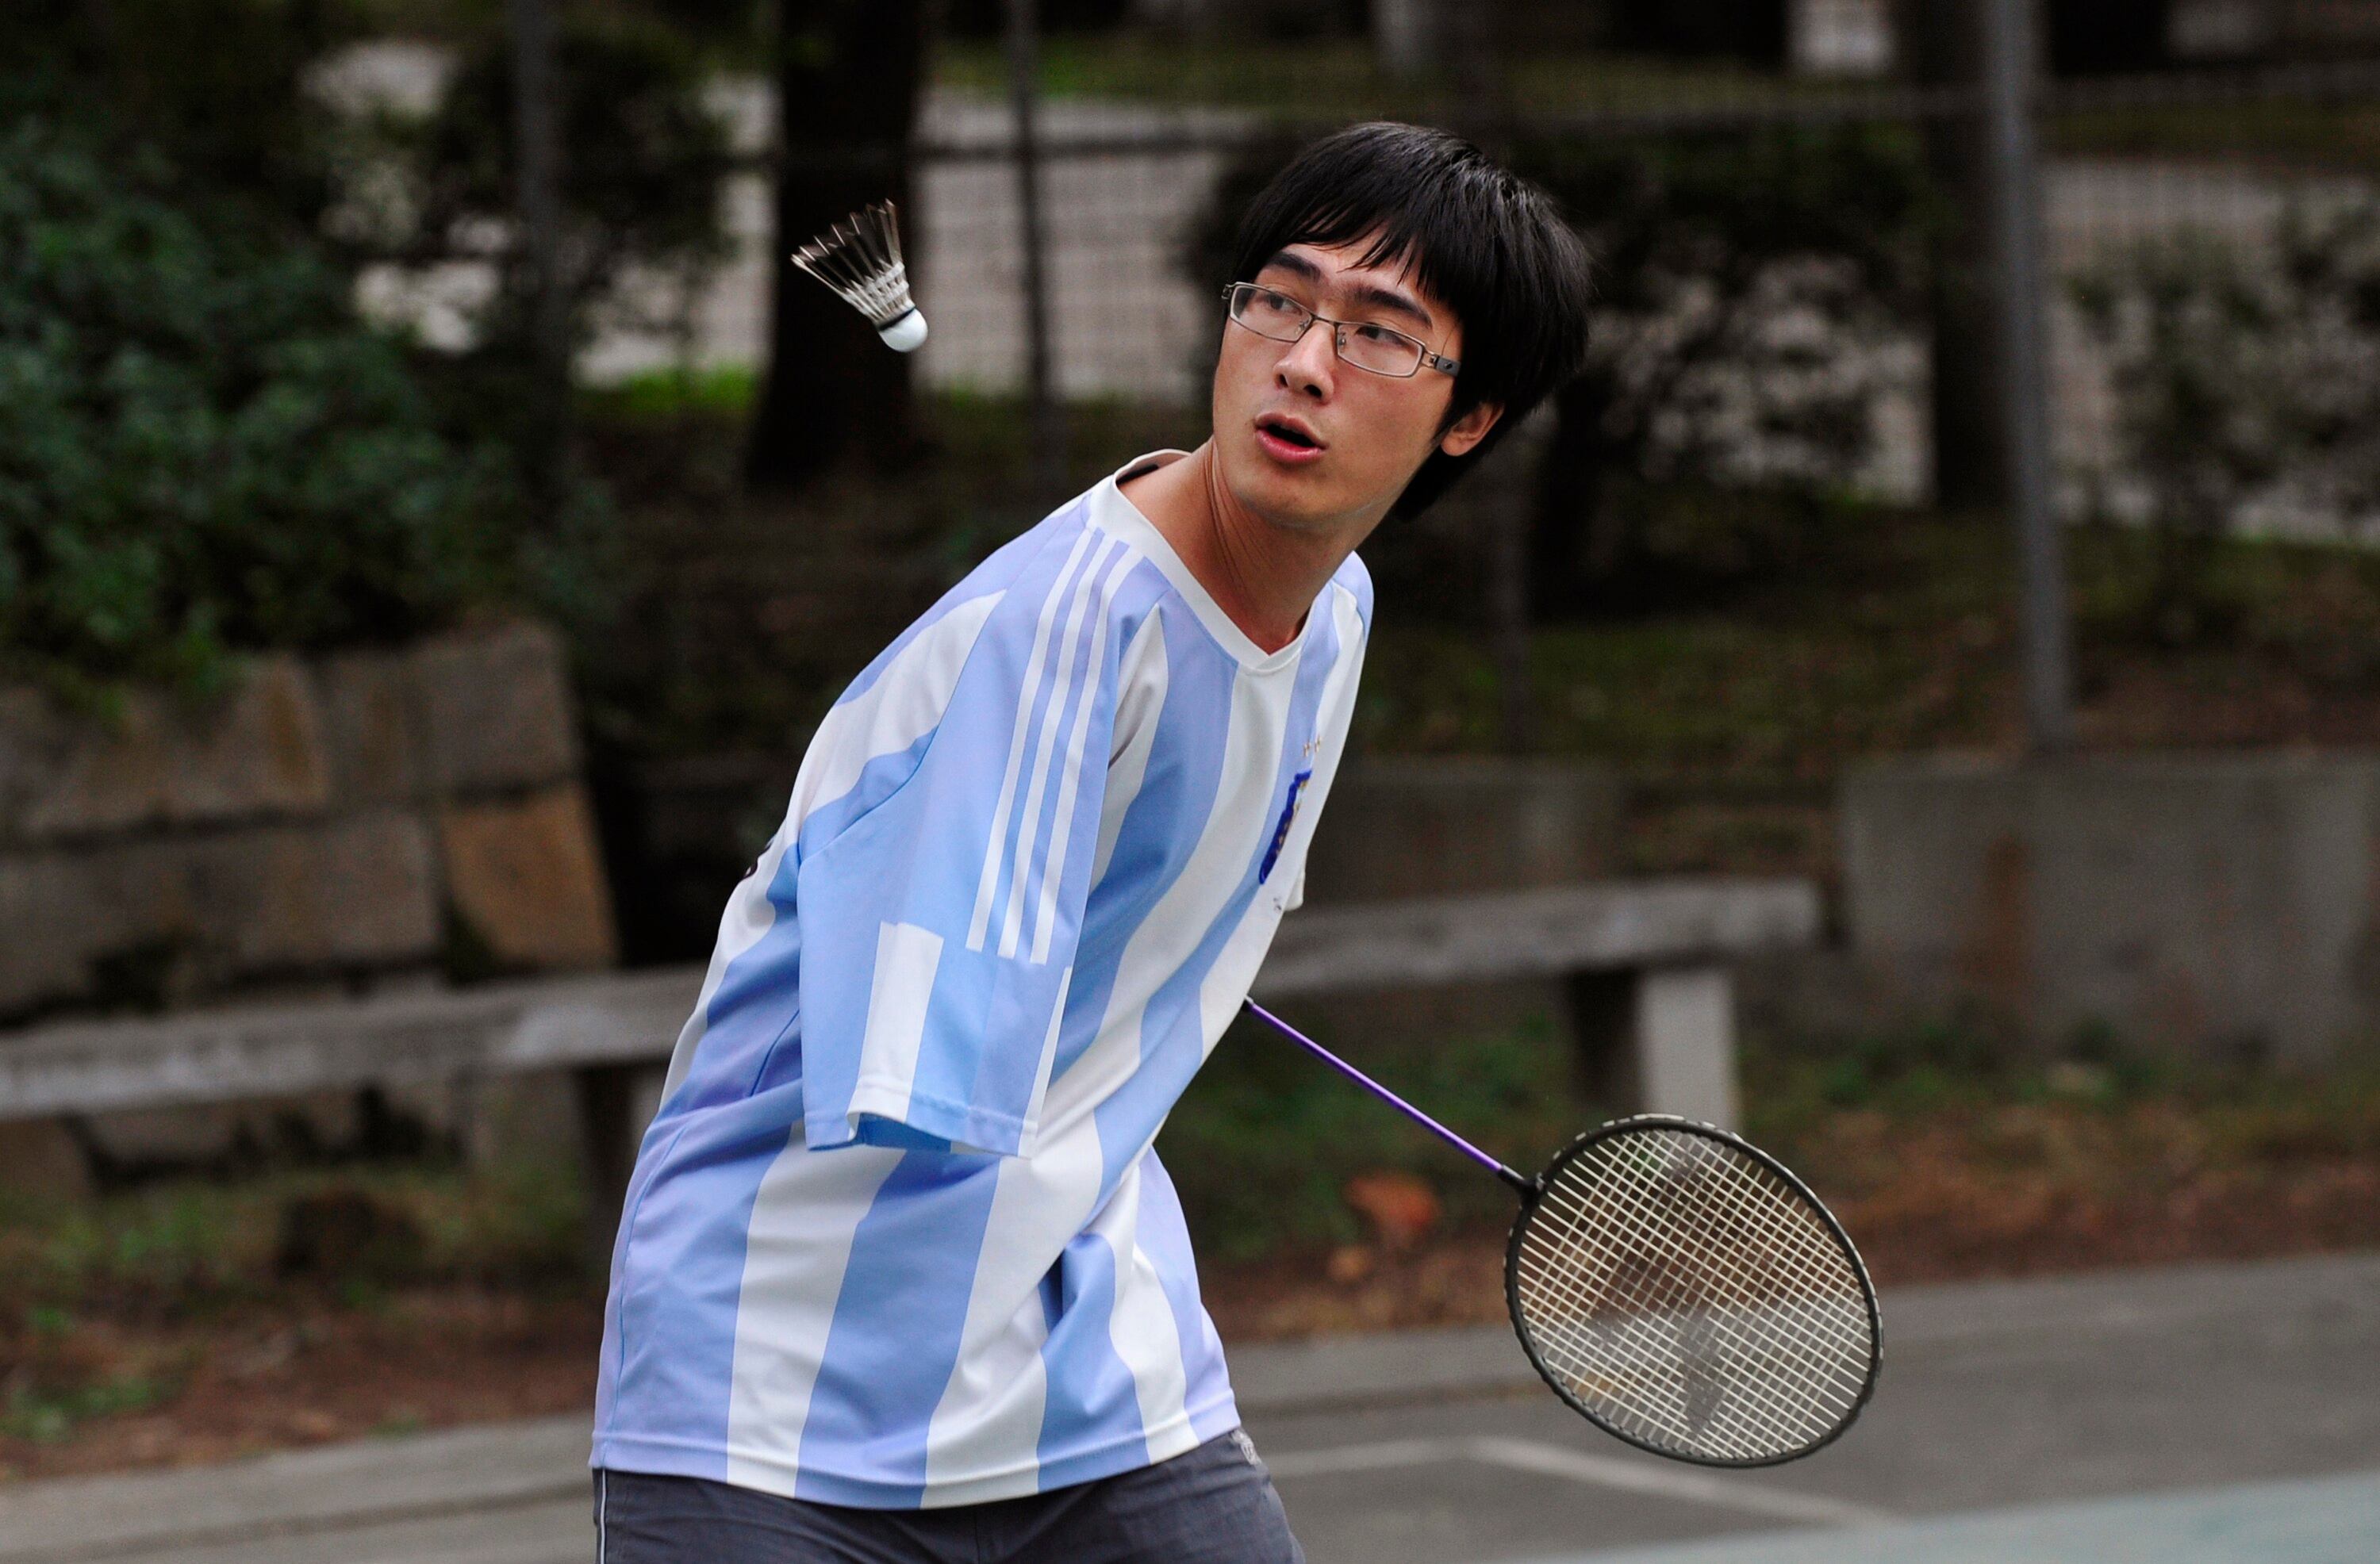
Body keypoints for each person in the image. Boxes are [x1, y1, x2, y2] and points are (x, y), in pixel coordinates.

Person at [589, 119, 1595, 1562]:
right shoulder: (1055, 635)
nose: (1304, 362)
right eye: (1280, 302)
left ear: (1470, 416)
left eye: (1379, 333)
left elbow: (1150, 940)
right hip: (778, 1378)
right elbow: (929, 1062)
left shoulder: (1336, 613)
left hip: (1087, 1364)